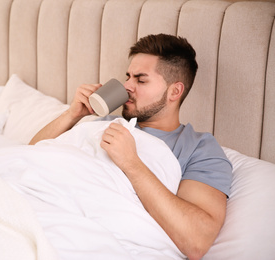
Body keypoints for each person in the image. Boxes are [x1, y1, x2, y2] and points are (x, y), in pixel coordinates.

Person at [29, 34, 232, 260]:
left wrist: (131, 163)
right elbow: (30, 157)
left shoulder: (199, 148)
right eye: (128, 77)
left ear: (175, 91)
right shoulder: (106, 124)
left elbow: (196, 240)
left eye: (140, 80)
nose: (127, 86)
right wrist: (72, 114)